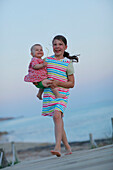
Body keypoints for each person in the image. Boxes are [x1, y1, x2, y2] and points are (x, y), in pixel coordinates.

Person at [42, 35, 79, 157]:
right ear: (52, 46)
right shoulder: (46, 61)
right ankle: (68, 147)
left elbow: (72, 84)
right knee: (58, 119)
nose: (57, 47)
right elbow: (41, 78)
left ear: (65, 47)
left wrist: (58, 83)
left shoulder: (68, 63)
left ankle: (57, 147)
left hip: (62, 94)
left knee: (57, 116)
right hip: (49, 94)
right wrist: (40, 90)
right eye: (55, 44)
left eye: (60, 44)